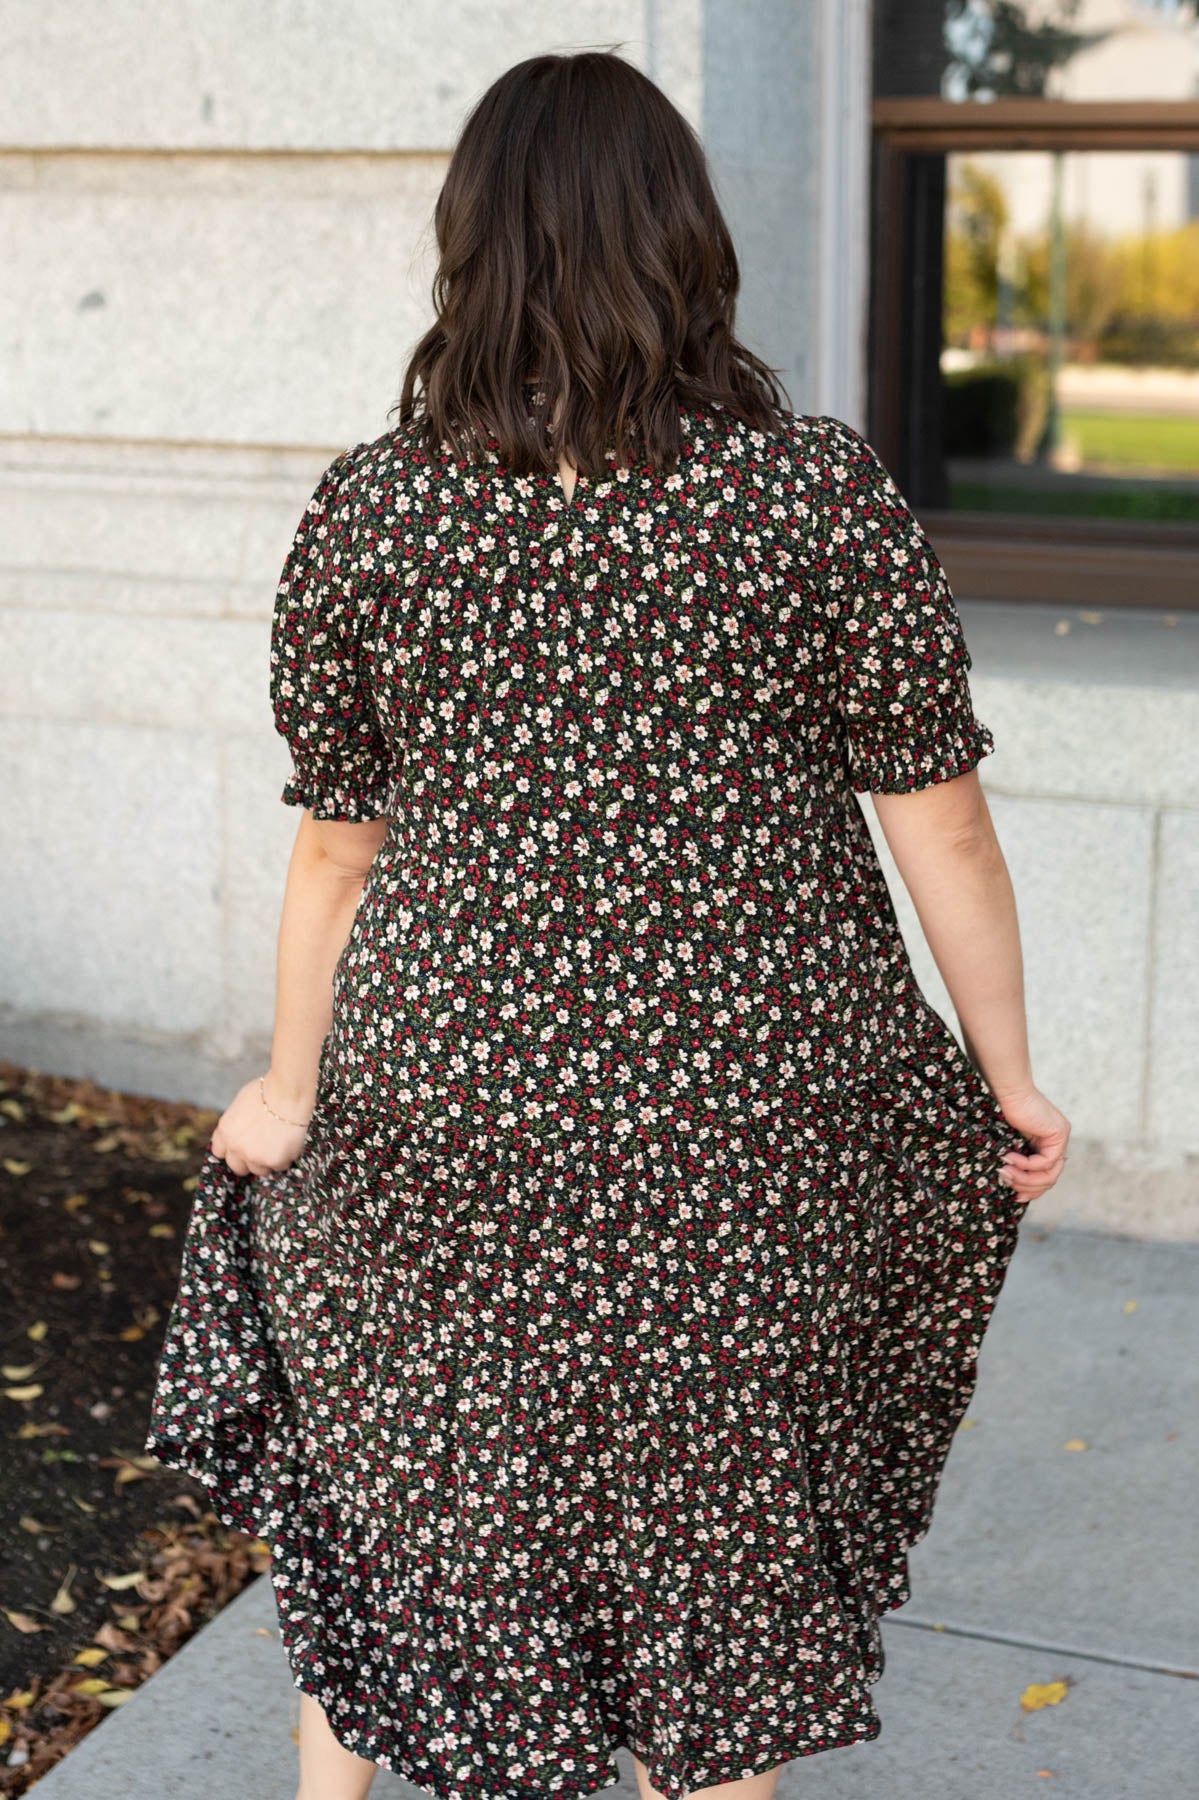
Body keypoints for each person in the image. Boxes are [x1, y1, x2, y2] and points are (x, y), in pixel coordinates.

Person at [145, 46, 1070, 1800]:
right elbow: (937, 814)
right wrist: (1003, 1073)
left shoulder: (376, 510)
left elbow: (337, 852)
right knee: (716, 1539)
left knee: (408, 1500)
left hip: (450, 1093)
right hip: (755, 1111)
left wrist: (285, 1088)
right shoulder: (813, 492)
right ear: (685, 239)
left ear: (470, 253)